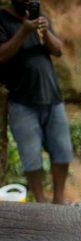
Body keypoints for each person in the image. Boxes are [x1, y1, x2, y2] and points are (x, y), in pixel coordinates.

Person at [0, 0, 73, 204]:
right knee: (31, 157)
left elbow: (58, 50)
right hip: (21, 100)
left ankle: (59, 200)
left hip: (52, 97)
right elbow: (2, 54)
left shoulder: (41, 17)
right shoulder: (2, 19)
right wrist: (23, 31)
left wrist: (45, 31)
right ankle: (40, 202)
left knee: (63, 152)